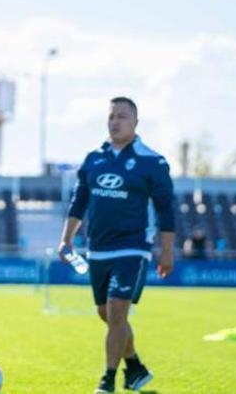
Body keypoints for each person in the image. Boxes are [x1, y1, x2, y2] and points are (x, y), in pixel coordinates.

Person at [57, 97, 175, 394]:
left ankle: (108, 380)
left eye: (122, 116)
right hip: (97, 249)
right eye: (111, 116)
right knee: (107, 315)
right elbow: (79, 201)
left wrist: (167, 250)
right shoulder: (94, 158)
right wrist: (66, 239)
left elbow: (165, 210)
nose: (115, 121)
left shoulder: (153, 161)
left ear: (136, 122)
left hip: (133, 248)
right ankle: (134, 366)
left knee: (118, 310)